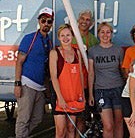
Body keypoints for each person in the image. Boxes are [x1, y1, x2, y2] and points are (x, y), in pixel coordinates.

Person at [14, 7, 54, 138]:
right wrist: (17, 84)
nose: (46, 24)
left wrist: (47, 87)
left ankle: (22, 135)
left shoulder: (49, 42)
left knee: (38, 118)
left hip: (40, 87)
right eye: (43, 21)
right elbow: (19, 61)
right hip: (27, 84)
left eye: (49, 21)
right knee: (23, 118)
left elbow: (47, 68)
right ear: (39, 21)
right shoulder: (29, 38)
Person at [88, 22, 124, 138]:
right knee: (108, 125)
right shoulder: (93, 51)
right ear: (98, 34)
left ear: (111, 34)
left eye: (108, 32)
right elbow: (91, 73)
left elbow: (123, 71)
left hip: (118, 89)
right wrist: (90, 94)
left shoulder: (118, 50)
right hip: (101, 91)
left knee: (119, 123)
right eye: (102, 32)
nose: (105, 35)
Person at [49, 24, 85, 137]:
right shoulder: (54, 53)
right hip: (60, 97)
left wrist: (83, 95)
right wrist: (60, 98)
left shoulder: (77, 52)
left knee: (71, 128)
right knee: (60, 131)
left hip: (73, 96)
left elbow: (80, 76)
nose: (65, 38)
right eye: (62, 35)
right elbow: (53, 77)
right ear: (58, 37)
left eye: (68, 35)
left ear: (73, 36)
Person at [71, 10, 99, 137]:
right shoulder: (69, 36)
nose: (84, 22)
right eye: (82, 18)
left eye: (88, 20)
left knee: (82, 117)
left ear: (91, 23)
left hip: (85, 84)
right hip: (70, 83)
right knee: (70, 119)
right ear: (78, 20)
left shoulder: (93, 40)